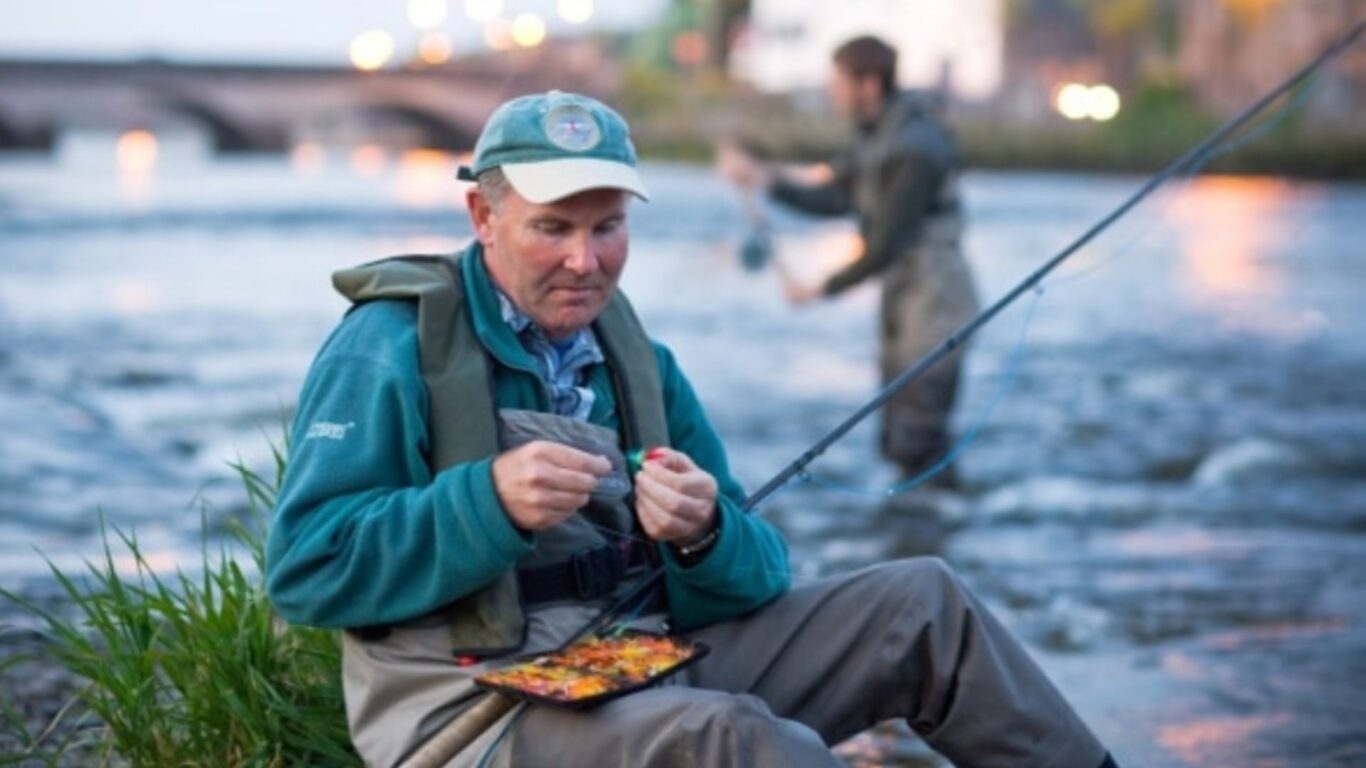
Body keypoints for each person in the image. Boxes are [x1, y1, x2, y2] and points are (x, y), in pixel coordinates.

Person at [266, 91, 1115, 768]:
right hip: (472, 713)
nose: (586, 260)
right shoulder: (385, 346)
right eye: (552, 228)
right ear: (482, 217)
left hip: (631, 664)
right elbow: (306, 571)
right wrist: (484, 503)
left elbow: (759, 574)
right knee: (729, 739)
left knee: (925, 605)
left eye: (608, 227)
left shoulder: (642, 360)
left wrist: (705, 534)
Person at [719, 35, 980, 488]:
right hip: (906, 294)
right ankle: (919, 526)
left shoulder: (915, 147)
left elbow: (885, 245)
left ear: (869, 85)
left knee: (919, 435)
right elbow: (836, 197)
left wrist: (818, 289)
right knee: (897, 438)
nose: (832, 92)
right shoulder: (877, 134)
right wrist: (765, 180)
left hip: (937, 299)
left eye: (838, 82)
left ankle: (940, 523)